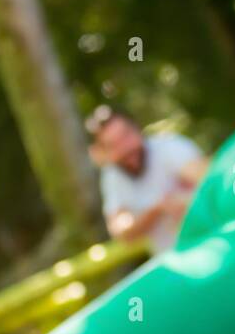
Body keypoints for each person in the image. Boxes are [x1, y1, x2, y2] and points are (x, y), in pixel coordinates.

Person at [86, 105, 208, 252]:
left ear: (137, 128)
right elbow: (121, 231)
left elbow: (207, 178)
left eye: (125, 136)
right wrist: (158, 209)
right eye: (113, 145)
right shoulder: (112, 176)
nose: (125, 147)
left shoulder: (169, 147)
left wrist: (188, 202)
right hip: (176, 263)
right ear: (103, 152)